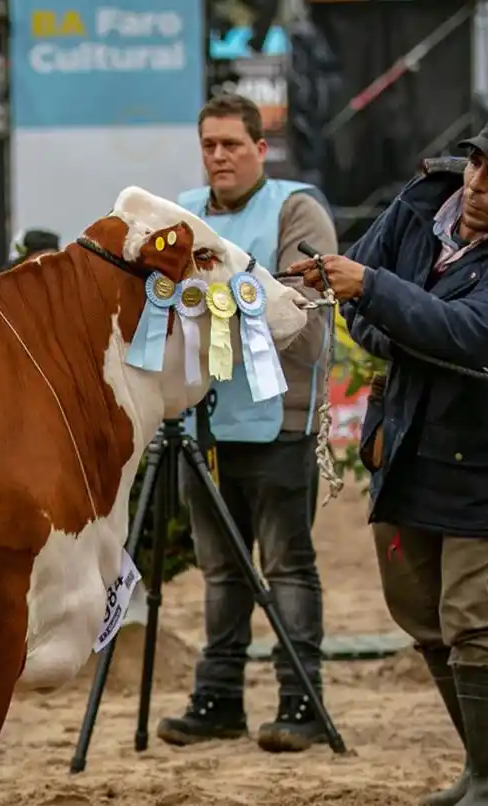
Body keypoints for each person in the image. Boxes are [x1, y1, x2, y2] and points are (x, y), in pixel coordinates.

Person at [289, 108, 488, 805]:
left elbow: (467, 331)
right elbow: (356, 301)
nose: (477, 182)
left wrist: (379, 298)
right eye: (476, 161)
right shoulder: (422, 199)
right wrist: (391, 319)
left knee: (475, 619)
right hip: (405, 436)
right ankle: (482, 769)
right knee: (420, 612)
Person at [156, 93, 338, 753]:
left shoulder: (295, 209)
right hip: (205, 422)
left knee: (287, 565)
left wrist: (223, 307)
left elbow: (308, 323)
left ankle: (302, 699)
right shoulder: (181, 211)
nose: (219, 156)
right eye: (209, 144)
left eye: (232, 144)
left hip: (279, 417)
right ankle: (218, 697)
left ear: (261, 149)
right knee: (221, 569)